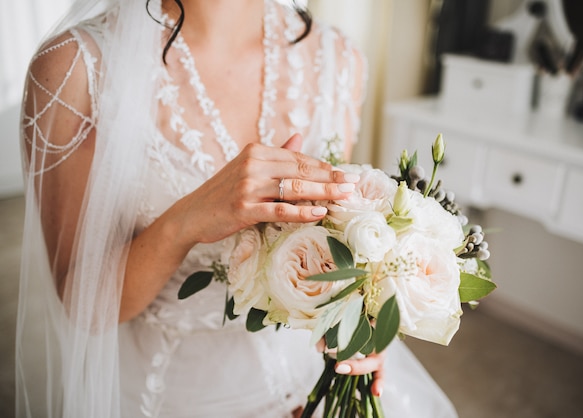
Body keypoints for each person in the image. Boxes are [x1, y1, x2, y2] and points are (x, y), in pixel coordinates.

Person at [16, 0, 459, 417]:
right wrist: (188, 220)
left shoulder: (338, 59)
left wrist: (358, 329)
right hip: (171, 393)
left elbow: (336, 244)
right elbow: (82, 304)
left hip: (309, 383)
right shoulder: (73, 69)